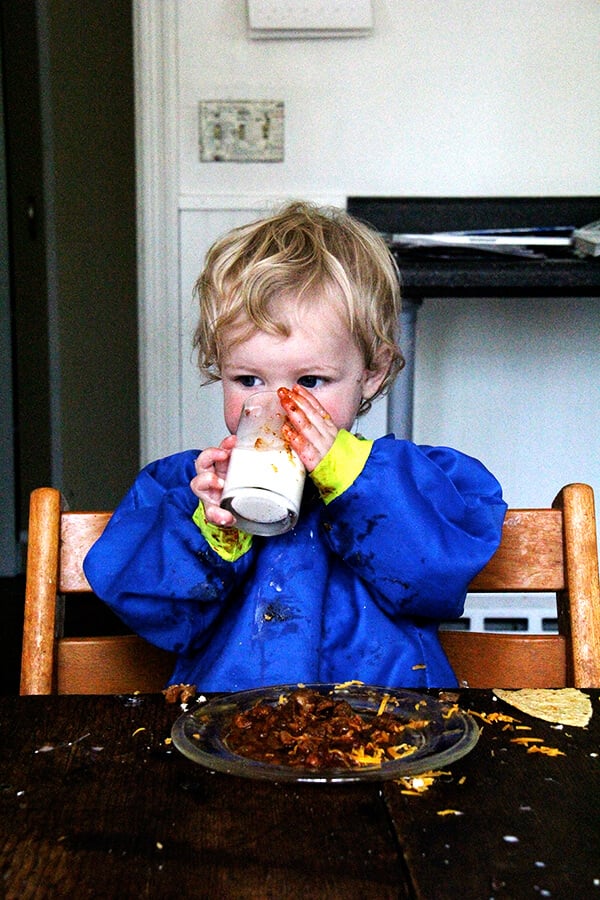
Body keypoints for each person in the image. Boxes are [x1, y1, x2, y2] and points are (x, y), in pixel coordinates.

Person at [84, 201, 507, 691]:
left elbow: (435, 579)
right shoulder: (185, 488)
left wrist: (350, 475)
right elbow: (158, 618)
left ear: (372, 372)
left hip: (386, 717)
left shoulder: (416, 478)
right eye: (248, 379)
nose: (279, 408)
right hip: (236, 720)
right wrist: (213, 532)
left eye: (310, 381)